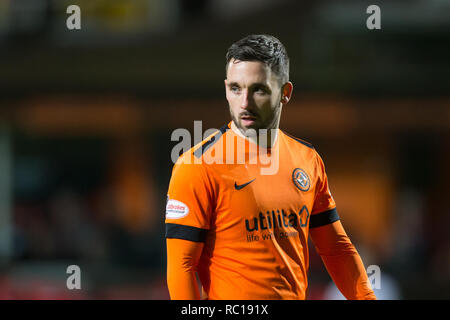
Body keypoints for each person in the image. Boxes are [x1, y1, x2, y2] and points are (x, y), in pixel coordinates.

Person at [165, 34, 376, 300]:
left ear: (285, 93)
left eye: (259, 90)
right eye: (235, 88)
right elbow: (181, 268)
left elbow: (336, 249)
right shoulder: (197, 165)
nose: (244, 103)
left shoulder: (307, 159)